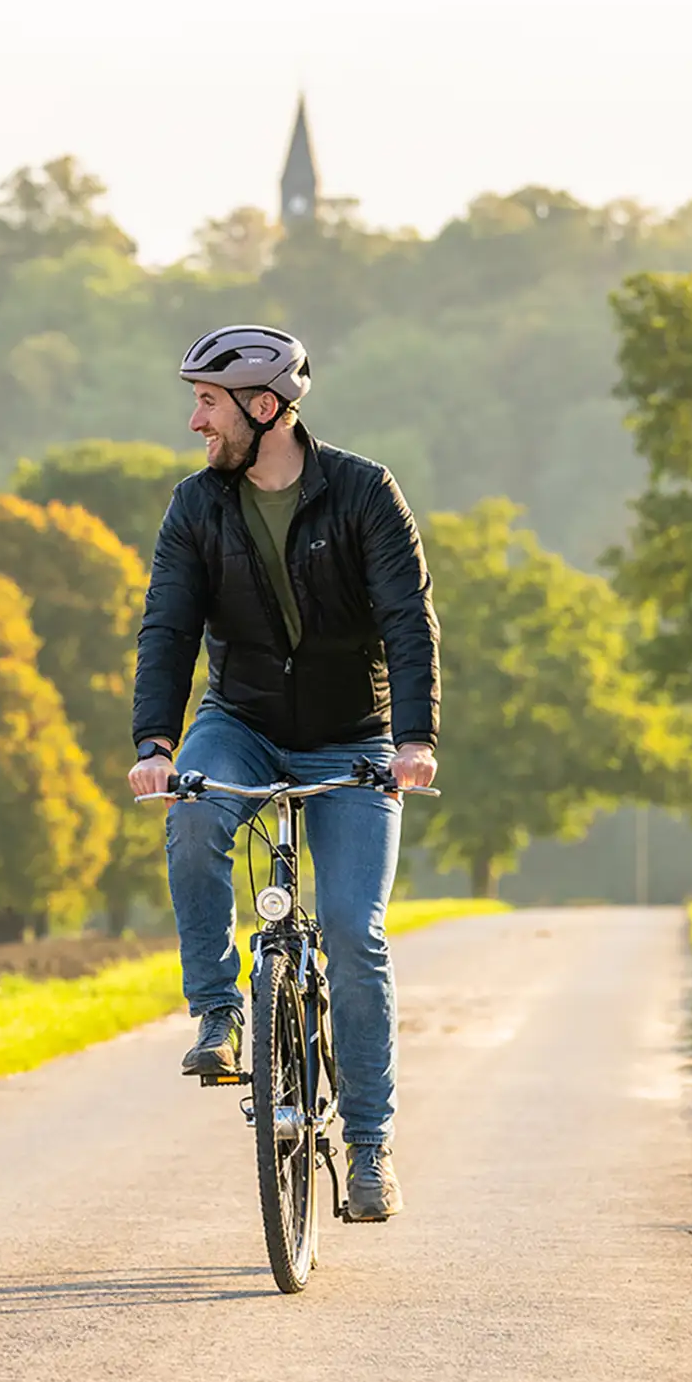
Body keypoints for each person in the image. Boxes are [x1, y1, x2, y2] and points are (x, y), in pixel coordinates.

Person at [126, 326, 438, 1221]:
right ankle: (219, 1012)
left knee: (353, 933)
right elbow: (167, 628)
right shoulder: (195, 507)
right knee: (191, 818)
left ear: (264, 409)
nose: (194, 421)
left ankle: (369, 1149)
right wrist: (155, 744)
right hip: (242, 724)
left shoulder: (364, 493)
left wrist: (413, 739)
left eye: (208, 404)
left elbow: (407, 622)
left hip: (354, 738)